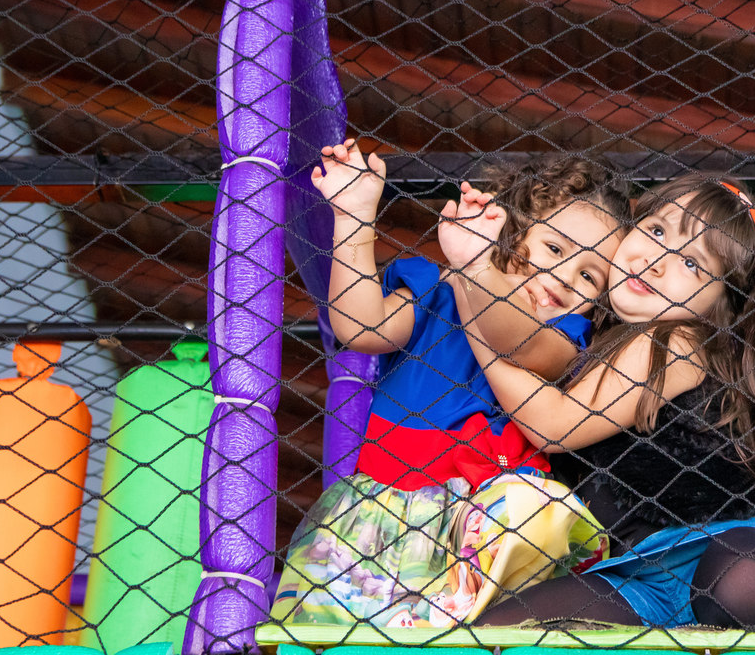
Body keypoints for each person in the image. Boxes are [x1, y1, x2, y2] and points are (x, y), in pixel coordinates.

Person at [270, 140, 630, 628]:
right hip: (389, 517)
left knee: (538, 516)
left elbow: (515, 343)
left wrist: (477, 268)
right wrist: (354, 216)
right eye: (553, 248)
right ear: (512, 226)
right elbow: (360, 328)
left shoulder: (566, 337)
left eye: (590, 276)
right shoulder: (434, 291)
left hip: (489, 530)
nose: (564, 277)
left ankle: (470, 620)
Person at [453, 172, 755, 629]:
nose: (658, 260)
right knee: (496, 632)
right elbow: (527, 345)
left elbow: (553, 425)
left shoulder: (679, 340)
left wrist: (468, 292)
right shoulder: (588, 340)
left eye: (693, 264)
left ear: (720, 305)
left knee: (746, 586)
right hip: (636, 576)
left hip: (722, 547)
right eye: (657, 231)